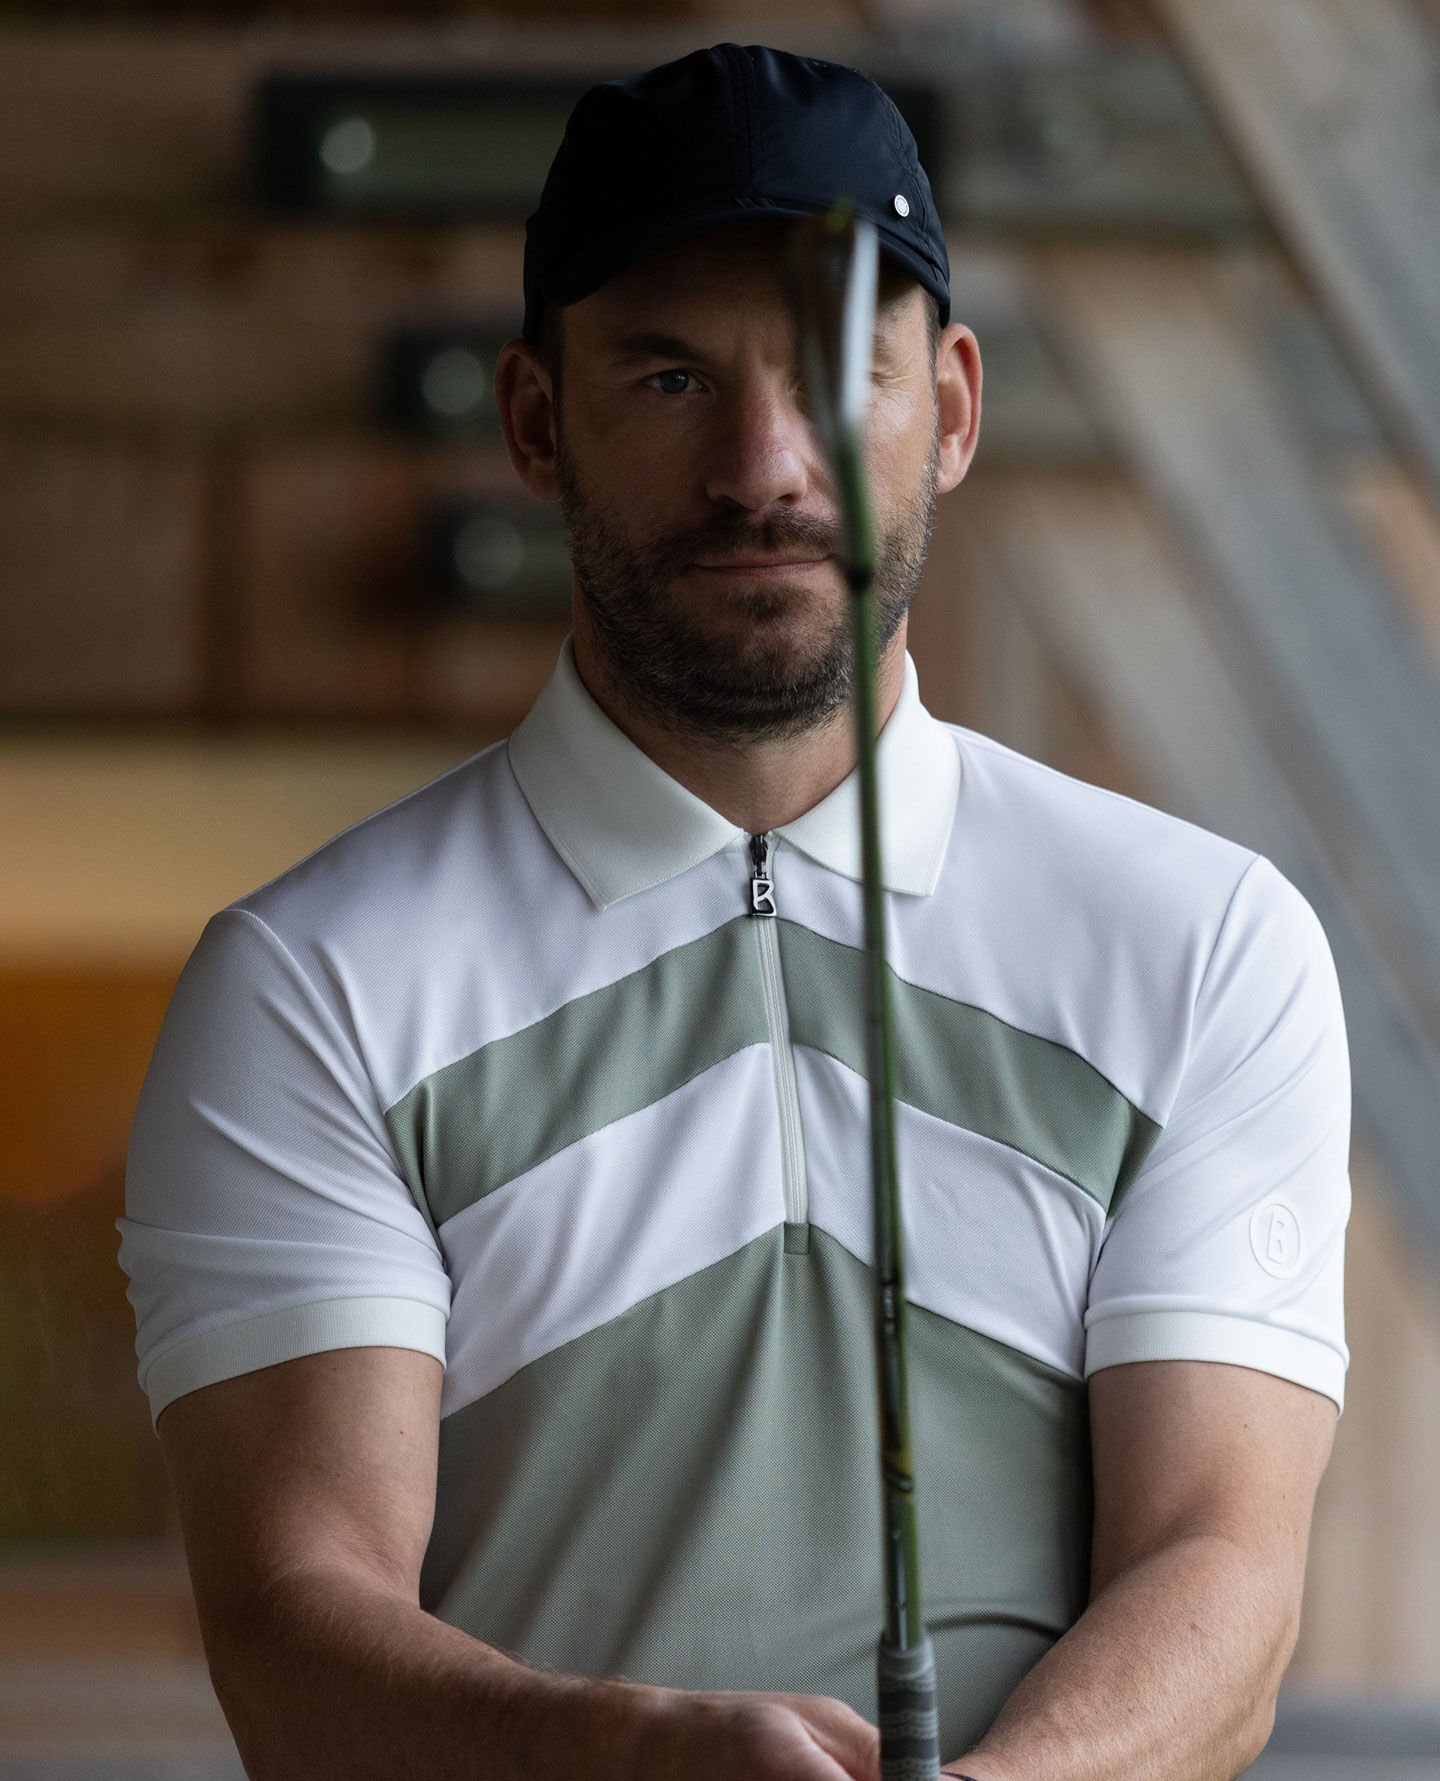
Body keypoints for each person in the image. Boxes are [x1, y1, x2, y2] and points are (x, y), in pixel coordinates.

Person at [120, 42, 1349, 1781]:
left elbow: (1226, 1573)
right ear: (538, 422)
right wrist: (630, 1758)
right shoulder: (311, 985)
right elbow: (294, 1630)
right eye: (672, 374)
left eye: (839, 372)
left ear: (954, 409)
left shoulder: (1205, 945)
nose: (767, 463)